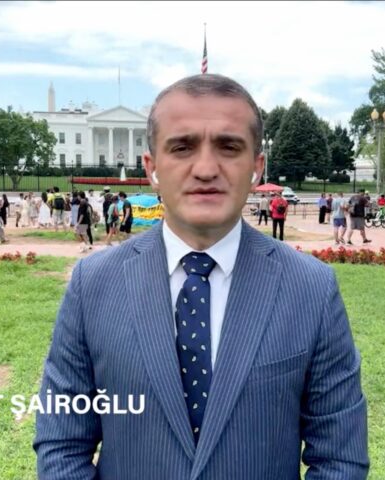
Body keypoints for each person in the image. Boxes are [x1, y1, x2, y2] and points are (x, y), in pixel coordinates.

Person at [34, 73, 368, 479]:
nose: (206, 169)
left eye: (229, 147)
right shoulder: (93, 284)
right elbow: (62, 442)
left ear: (256, 167)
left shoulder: (311, 288)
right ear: (152, 167)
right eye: (182, 147)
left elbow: (339, 458)